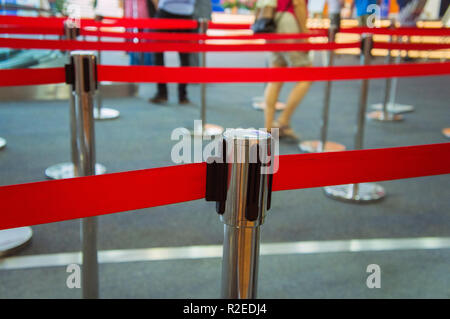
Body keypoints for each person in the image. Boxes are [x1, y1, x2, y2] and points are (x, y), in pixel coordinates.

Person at [264, 0, 311, 142]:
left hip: (272, 21)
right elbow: (298, 3)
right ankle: (283, 121)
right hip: (288, 22)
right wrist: (305, 34)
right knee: (306, 75)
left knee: (276, 76)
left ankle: (268, 127)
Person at [150, 0, 197, 105]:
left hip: (168, 11)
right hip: (186, 13)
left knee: (159, 53)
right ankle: (182, 96)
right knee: (184, 57)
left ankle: (163, 93)